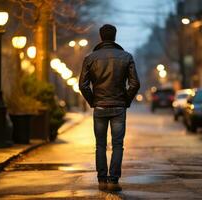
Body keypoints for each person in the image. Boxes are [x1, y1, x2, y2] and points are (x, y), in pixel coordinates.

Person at [79, 24, 140, 192]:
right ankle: (113, 180)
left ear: (101, 37)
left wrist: (93, 101)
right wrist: (125, 100)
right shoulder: (126, 57)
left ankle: (101, 179)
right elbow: (135, 83)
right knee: (118, 144)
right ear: (114, 36)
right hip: (118, 107)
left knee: (100, 145)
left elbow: (83, 85)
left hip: (100, 107)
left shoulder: (90, 58)